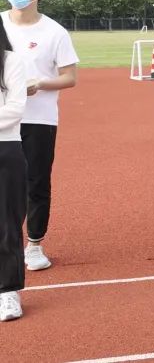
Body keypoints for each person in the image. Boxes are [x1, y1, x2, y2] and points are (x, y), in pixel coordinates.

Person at [1, 0, 78, 273]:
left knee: (36, 182)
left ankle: (34, 244)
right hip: (3, 118)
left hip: (38, 118)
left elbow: (69, 77)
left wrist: (40, 84)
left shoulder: (54, 32)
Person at [0, 21, 27, 322]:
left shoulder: (10, 61)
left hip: (4, 148)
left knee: (6, 224)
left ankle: (8, 291)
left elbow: (15, 108)